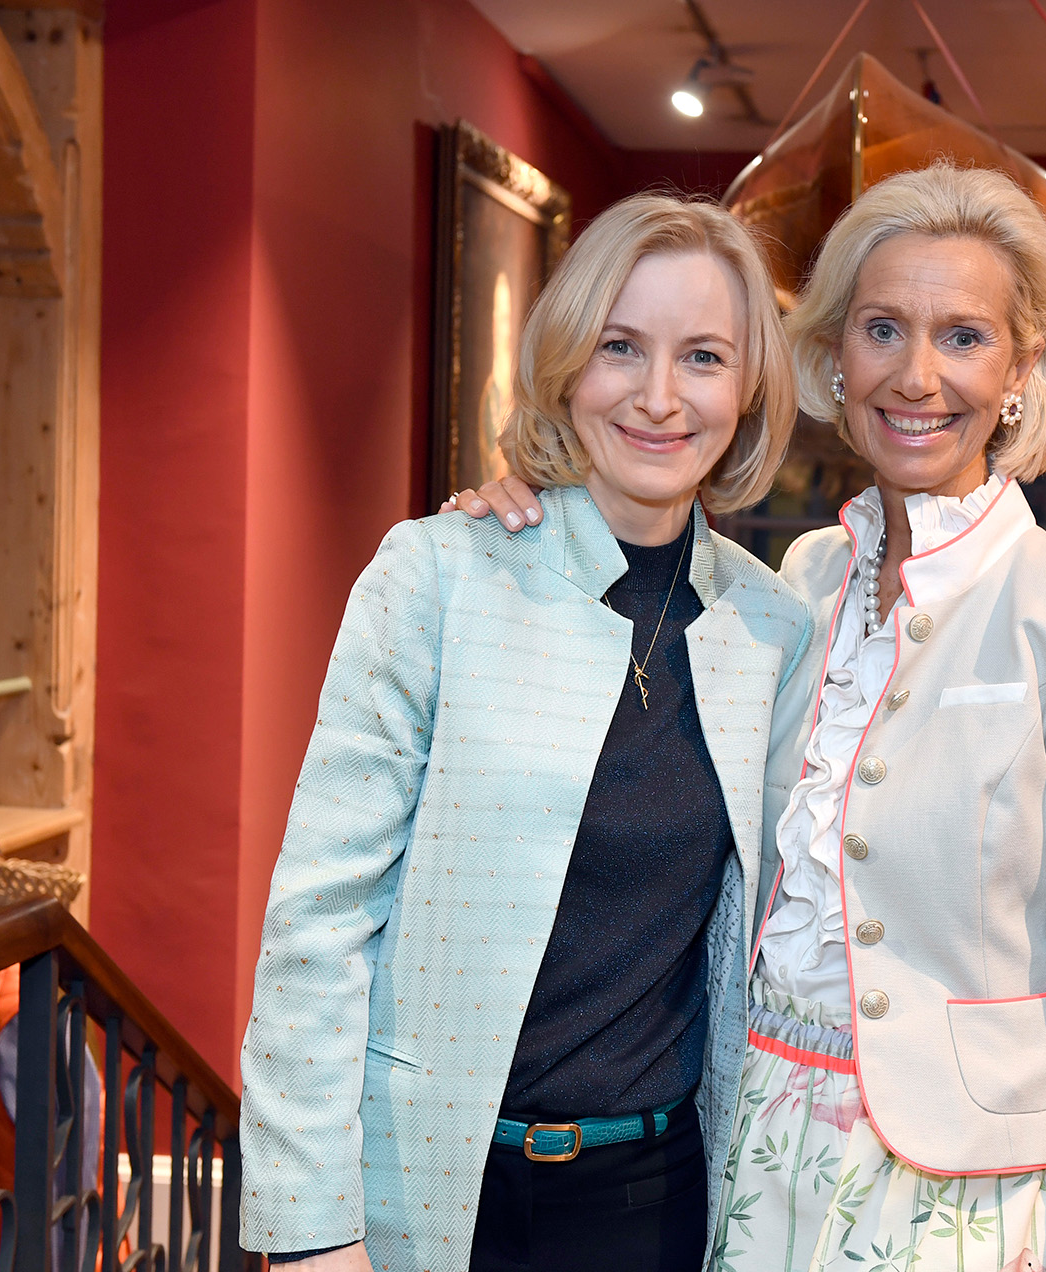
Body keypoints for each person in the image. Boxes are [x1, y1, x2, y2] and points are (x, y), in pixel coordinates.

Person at [452, 163, 1046, 1272]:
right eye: (883, 329)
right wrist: (523, 514)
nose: (917, 376)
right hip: (749, 1148)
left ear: (1022, 368)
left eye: (965, 337)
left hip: (960, 1197)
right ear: (836, 357)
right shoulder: (800, 582)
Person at [238, 192, 814, 1272]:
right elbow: (318, 921)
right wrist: (311, 1230)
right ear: (566, 361)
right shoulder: (439, 575)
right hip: (427, 1185)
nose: (658, 396)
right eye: (620, 347)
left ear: (748, 390)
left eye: (702, 357)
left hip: (651, 1202)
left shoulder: (772, 626)